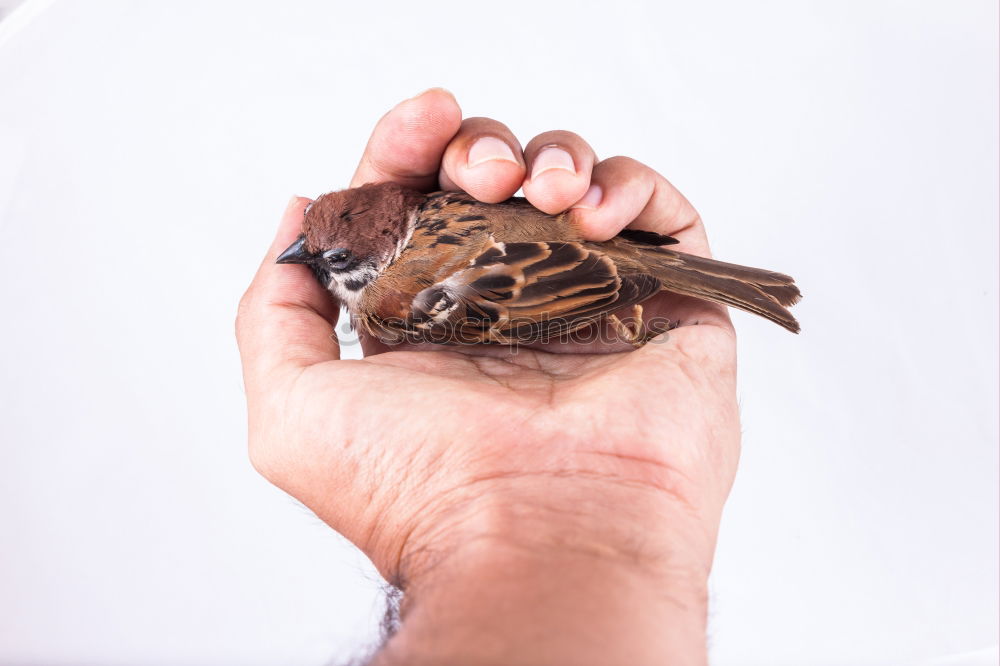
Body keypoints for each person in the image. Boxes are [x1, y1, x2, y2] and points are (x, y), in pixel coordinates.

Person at [235, 88, 740, 666]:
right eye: (314, 248)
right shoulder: (424, 226)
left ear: (377, 250)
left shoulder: (387, 302)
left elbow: (510, 308)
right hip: (581, 266)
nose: (306, 257)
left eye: (337, 259)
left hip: (575, 277)